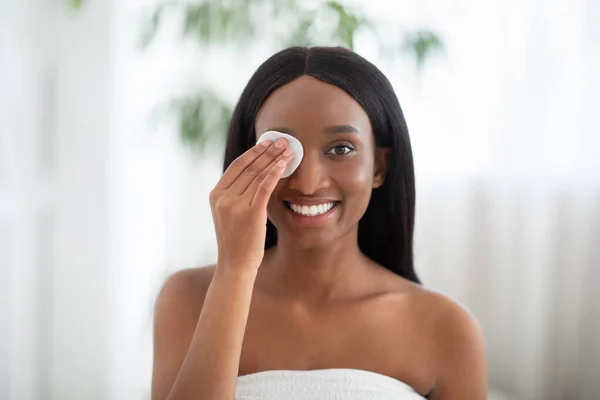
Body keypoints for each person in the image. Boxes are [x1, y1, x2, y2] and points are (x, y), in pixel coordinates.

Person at [151, 46, 488, 400]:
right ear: (246, 160)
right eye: (280, 149)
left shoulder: (447, 329)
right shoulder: (188, 299)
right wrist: (235, 269)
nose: (308, 183)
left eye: (341, 149)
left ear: (379, 167)